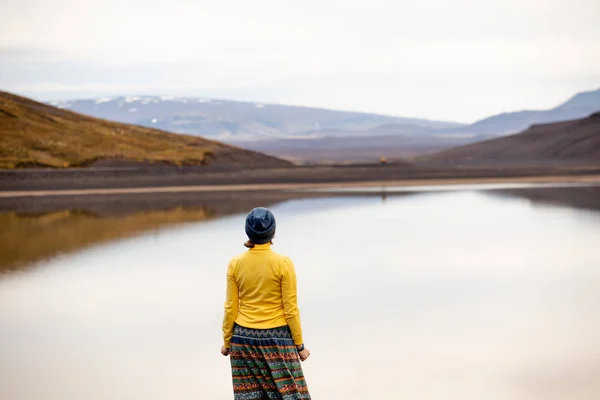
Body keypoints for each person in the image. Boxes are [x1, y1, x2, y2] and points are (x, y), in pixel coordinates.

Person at [221, 207, 311, 399]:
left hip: (243, 339)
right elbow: (291, 308)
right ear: (273, 232)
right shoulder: (283, 263)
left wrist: (227, 342)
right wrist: (300, 346)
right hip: (277, 340)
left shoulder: (235, 264)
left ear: (248, 232)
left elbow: (231, 308)